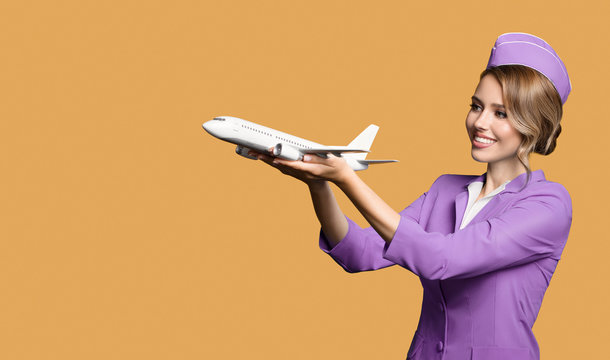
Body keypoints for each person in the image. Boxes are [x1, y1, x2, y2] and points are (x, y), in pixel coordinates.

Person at [249, 32, 572, 360]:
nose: (479, 122)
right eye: (476, 107)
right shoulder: (444, 190)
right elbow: (360, 253)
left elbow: (441, 259)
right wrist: (319, 186)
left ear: (533, 124)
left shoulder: (548, 205)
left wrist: (347, 177)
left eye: (500, 113)